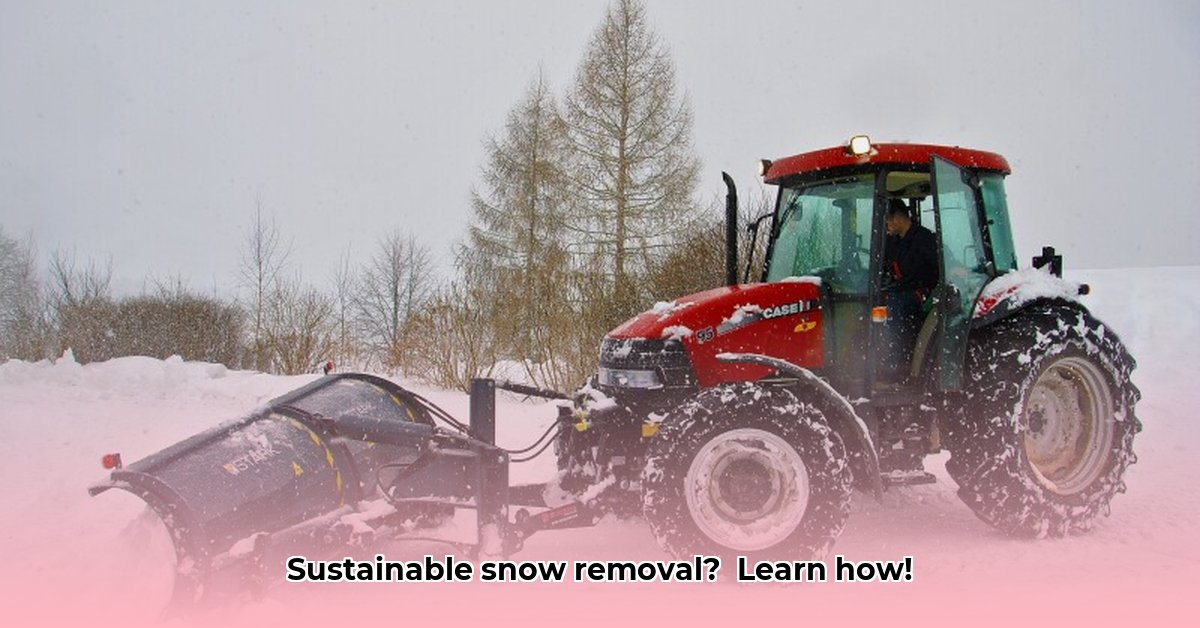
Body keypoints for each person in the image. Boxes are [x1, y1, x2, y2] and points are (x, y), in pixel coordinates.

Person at [881, 198, 938, 382]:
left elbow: (942, 266)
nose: (886, 226)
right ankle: (881, 358)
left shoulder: (925, 239)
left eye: (887, 221)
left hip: (922, 293)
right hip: (899, 289)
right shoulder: (893, 242)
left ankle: (897, 364)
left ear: (897, 218)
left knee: (895, 307)